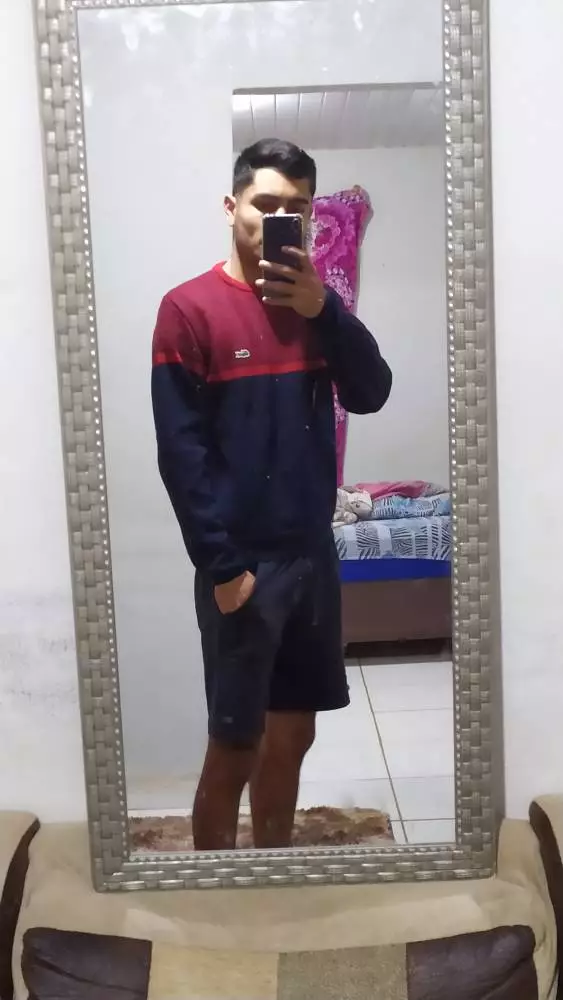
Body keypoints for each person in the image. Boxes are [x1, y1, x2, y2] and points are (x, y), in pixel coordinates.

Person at [151, 138, 392, 851]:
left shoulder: (317, 308)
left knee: (293, 736)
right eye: (265, 204)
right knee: (235, 745)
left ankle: (272, 875)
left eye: (297, 208)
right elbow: (181, 454)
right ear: (232, 207)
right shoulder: (187, 309)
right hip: (242, 565)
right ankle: (214, 892)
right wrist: (221, 567)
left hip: (312, 556)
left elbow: (371, 392)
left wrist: (325, 311)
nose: (279, 219)